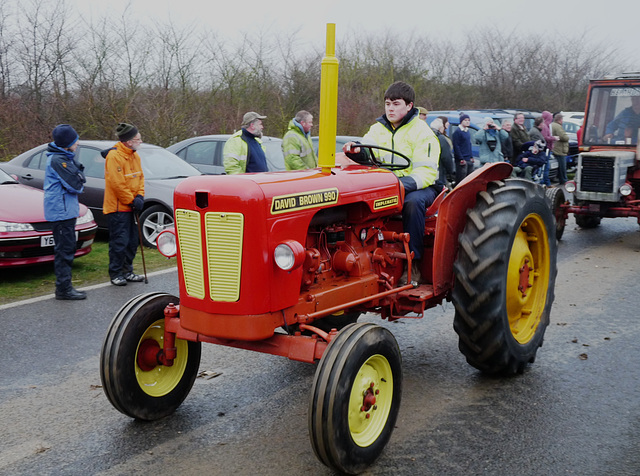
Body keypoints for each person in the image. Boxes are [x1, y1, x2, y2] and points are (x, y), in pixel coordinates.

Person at [343, 81, 440, 284]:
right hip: (388, 185)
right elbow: (367, 148)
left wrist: (401, 185)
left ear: (409, 106)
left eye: (396, 104)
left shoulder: (423, 132)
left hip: (420, 186)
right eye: (387, 103)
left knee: (412, 204)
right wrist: (356, 149)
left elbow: (427, 172)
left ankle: (413, 263)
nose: (390, 108)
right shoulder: (378, 128)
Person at [44, 124, 87, 300]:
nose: (77, 144)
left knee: (67, 248)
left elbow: (78, 177)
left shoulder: (64, 158)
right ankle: (63, 289)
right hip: (61, 212)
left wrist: (77, 173)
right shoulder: (58, 160)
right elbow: (76, 184)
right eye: (75, 141)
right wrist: (77, 175)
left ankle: (65, 287)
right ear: (66, 143)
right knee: (64, 250)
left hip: (66, 211)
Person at [103, 123, 146, 286]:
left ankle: (128, 270)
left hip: (132, 206)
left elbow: (140, 177)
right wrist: (131, 200)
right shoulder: (114, 157)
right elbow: (117, 183)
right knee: (119, 241)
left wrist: (140, 196)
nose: (140, 141)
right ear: (128, 141)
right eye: (138, 138)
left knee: (132, 240)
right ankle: (115, 273)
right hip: (118, 208)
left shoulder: (135, 155)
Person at [430, 117, 454, 186]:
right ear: (440, 128)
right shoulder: (441, 138)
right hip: (439, 172)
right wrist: (450, 171)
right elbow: (446, 157)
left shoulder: (427, 136)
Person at [452, 113, 473, 184]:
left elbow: (469, 144)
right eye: (465, 120)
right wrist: (461, 158)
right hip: (461, 159)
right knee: (461, 178)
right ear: (461, 121)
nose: (467, 122)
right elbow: (456, 146)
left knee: (469, 177)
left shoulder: (467, 131)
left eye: (468, 120)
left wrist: (471, 156)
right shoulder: (457, 132)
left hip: (468, 158)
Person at [551, 112, 570, 184]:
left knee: (558, 166)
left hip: (556, 148)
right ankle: (564, 180)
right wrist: (567, 137)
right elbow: (564, 137)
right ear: (560, 119)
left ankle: (558, 178)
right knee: (562, 166)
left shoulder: (552, 125)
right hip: (559, 150)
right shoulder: (558, 127)